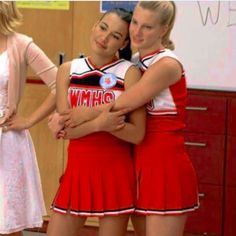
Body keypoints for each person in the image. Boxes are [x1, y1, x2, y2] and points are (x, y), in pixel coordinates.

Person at [59, 2, 199, 236]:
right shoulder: (136, 61)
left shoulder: (167, 64)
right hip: (137, 159)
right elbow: (63, 85)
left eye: (147, 27)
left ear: (163, 30)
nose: (137, 31)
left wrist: (86, 112)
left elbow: (127, 101)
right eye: (135, 23)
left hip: (164, 162)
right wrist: (53, 116)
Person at [47, 8, 145, 236]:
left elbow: (138, 133)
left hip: (116, 174)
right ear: (94, 26)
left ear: (123, 44)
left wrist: (90, 119)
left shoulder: (129, 73)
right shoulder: (67, 70)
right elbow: (66, 128)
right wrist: (100, 124)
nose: (104, 38)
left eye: (115, 36)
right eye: (103, 28)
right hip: (77, 172)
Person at [0, 2, 57, 236]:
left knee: (7, 223)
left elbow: (60, 84)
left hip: (7, 143)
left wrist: (29, 119)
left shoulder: (21, 44)